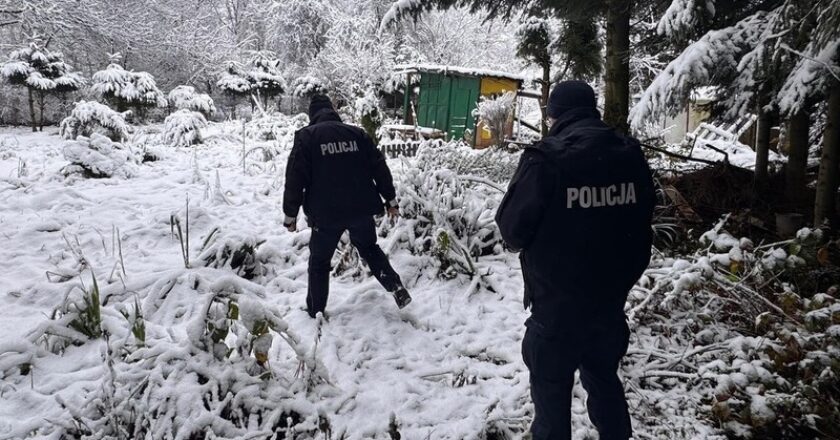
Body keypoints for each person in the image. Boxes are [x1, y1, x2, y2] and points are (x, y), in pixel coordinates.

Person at [495, 81, 655, 440]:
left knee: (551, 405)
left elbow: (511, 230)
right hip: (609, 308)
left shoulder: (546, 158)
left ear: (553, 115)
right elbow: (645, 223)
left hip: (556, 313)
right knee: (605, 384)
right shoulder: (630, 154)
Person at [283, 94, 412, 318]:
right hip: (360, 208)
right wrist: (390, 200)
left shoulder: (306, 137)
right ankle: (396, 286)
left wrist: (290, 214)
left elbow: (295, 178)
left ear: (312, 115)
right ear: (333, 111)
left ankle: (316, 310)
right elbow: (380, 168)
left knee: (320, 261)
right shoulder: (357, 133)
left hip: (325, 214)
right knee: (370, 248)